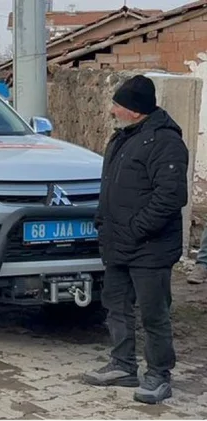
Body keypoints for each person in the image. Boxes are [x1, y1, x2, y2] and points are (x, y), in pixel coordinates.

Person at [84, 75, 189, 405]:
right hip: (117, 243)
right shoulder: (121, 139)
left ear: (135, 109)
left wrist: (135, 229)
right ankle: (122, 364)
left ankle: (159, 374)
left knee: (153, 313)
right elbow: (109, 188)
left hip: (150, 247)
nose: (112, 109)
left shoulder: (166, 142)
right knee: (116, 306)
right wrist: (104, 224)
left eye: (118, 104)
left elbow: (170, 197)